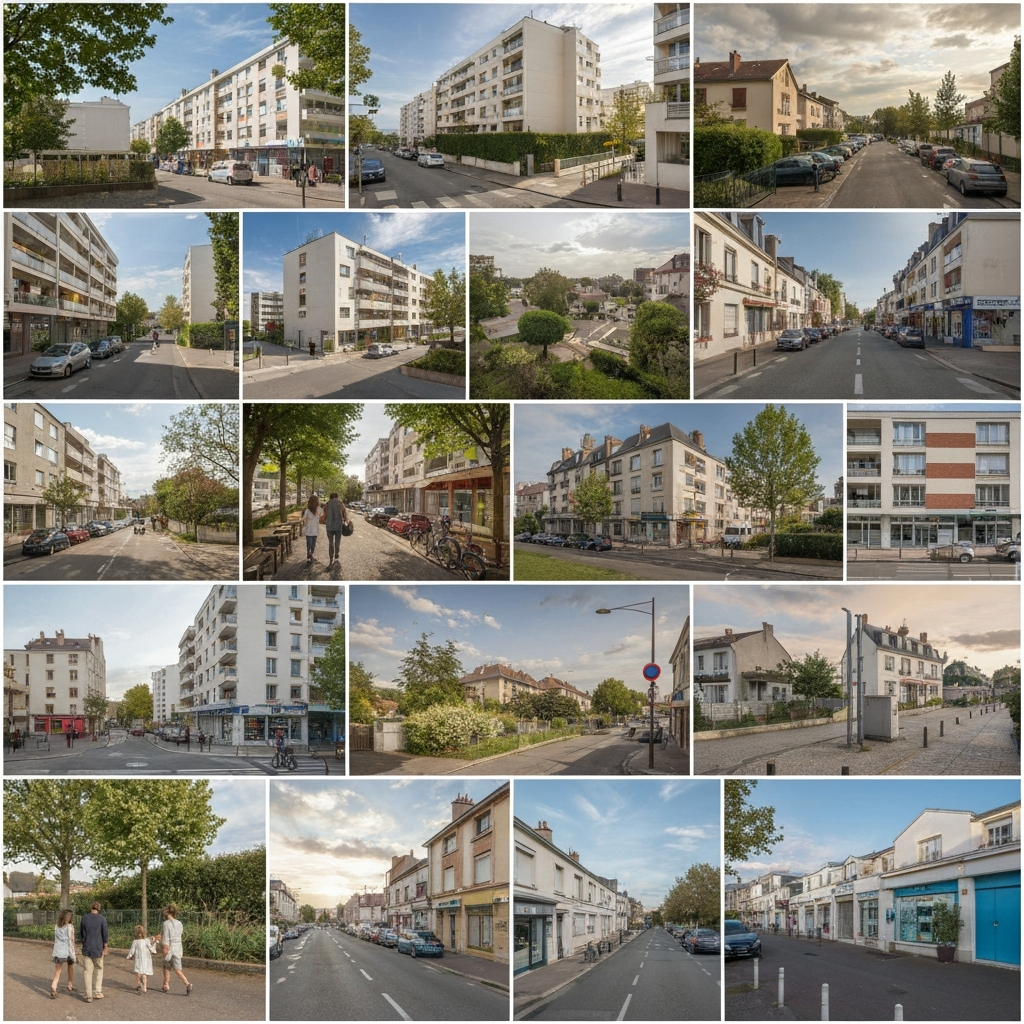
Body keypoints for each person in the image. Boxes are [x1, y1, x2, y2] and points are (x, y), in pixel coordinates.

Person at [79, 901, 108, 1003]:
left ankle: (89, 995)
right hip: (98, 948)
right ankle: (97, 991)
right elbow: (105, 934)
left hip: (87, 948)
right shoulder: (102, 919)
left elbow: (82, 933)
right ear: (99, 908)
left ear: (90, 907)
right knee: (99, 969)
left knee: (88, 971)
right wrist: (105, 946)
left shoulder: (84, 918)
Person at [161, 904, 192, 996]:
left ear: (167, 912)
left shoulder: (166, 924)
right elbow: (180, 934)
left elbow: (166, 937)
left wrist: (165, 948)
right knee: (177, 968)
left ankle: (167, 984)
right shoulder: (179, 923)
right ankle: (186, 984)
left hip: (170, 948)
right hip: (178, 947)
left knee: (167, 966)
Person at [50, 908, 76, 999]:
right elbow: (72, 940)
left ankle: (54, 986)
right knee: (70, 966)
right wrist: (74, 952)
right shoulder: (70, 927)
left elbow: (56, 939)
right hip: (68, 951)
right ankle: (70, 984)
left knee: (58, 971)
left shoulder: (56, 927)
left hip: (58, 951)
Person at [126, 924, 158, 994]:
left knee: (139, 973)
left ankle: (140, 985)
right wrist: (154, 944)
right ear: (143, 932)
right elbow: (151, 948)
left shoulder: (135, 942)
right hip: (146, 960)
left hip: (138, 960)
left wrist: (129, 956)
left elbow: (132, 951)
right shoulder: (146, 940)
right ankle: (145, 988)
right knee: (144, 974)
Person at [324, 492, 348, 566]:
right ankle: (336, 553)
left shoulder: (327, 504)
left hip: (329, 526)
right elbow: (344, 512)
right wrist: (345, 519)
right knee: (337, 542)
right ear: (337, 497)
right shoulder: (340, 503)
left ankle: (331, 557)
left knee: (331, 543)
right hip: (338, 525)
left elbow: (324, 513)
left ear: (330, 497)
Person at [302, 495, 324, 565]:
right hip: (314, 531)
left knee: (309, 544)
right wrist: (319, 519)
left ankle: (309, 555)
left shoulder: (307, 511)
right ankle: (310, 555)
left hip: (309, 531)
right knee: (313, 544)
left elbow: (304, 520)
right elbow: (324, 515)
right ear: (317, 502)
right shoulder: (318, 510)